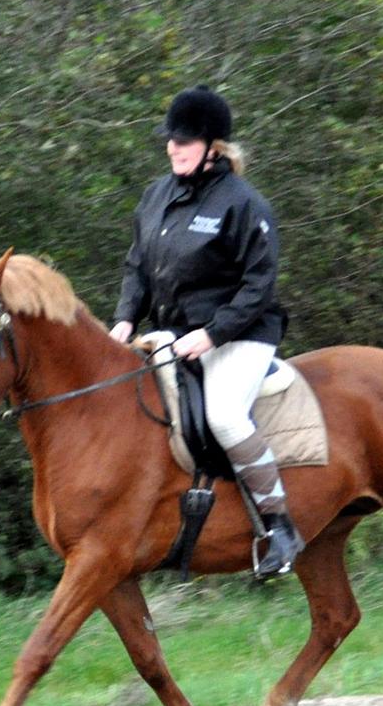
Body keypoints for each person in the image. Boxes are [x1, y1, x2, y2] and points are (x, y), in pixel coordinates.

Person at [109, 85, 304, 577]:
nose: (174, 146)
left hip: (240, 335)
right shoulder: (156, 196)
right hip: (173, 334)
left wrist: (213, 334)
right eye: (171, 139)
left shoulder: (243, 204)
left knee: (224, 417)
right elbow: (138, 266)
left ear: (213, 146)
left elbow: (259, 285)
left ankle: (279, 527)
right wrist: (126, 318)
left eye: (186, 140)